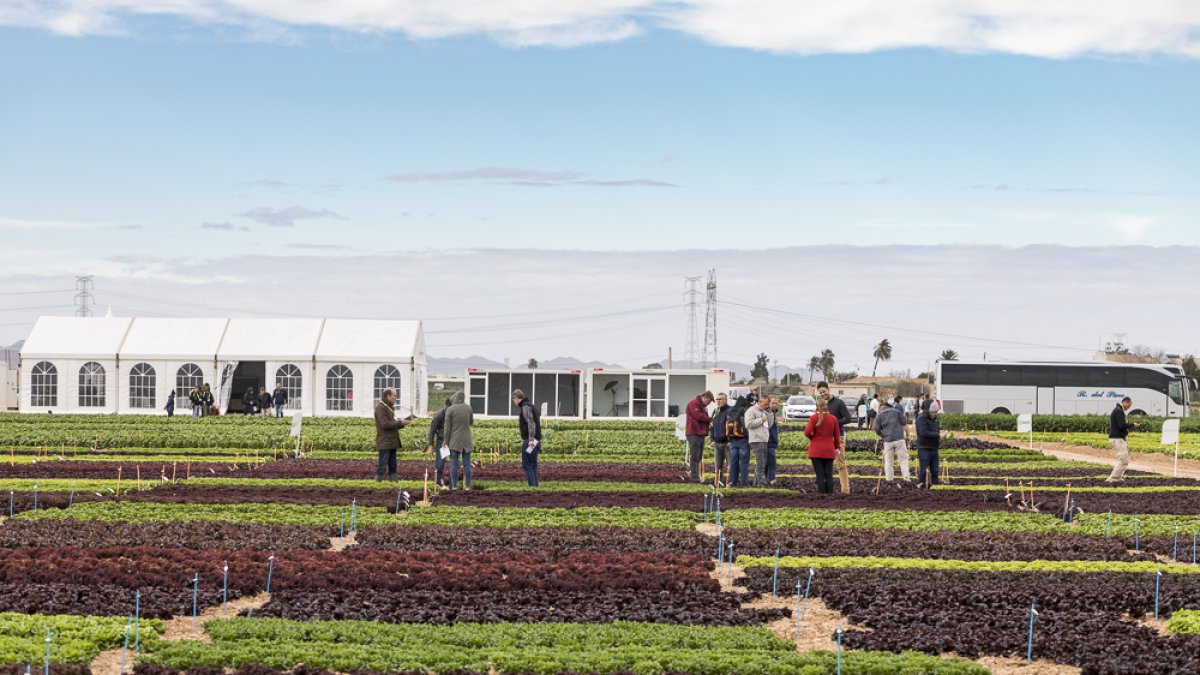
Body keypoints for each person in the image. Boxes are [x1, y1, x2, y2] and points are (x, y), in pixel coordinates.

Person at [817, 382, 853, 493]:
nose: (823, 394)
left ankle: (845, 490)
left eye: (824, 391)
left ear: (828, 389)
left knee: (840, 463)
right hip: (826, 438)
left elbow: (848, 418)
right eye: (820, 393)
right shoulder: (821, 405)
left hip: (839, 437)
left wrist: (834, 422)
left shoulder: (839, 403)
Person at [804, 397, 841, 494]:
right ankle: (830, 494)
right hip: (829, 450)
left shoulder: (813, 418)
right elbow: (837, 436)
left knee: (820, 474)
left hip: (815, 450)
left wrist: (813, 439)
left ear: (816, 406)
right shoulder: (833, 419)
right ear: (826, 406)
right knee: (828, 474)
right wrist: (837, 447)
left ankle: (821, 495)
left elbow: (807, 432)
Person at [374, 387, 411, 482]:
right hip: (385, 442)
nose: (396, 397)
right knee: (382, 465)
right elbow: (385, 424)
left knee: (393, 465)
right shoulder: (380, 408)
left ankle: (394, 482)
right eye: (394, 395)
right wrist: (400, 422)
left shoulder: (388, 408)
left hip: (391, 442)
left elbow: (392, 424)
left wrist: (402, 424)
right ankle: (377, 483)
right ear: (388, 396)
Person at [873, 399, 911, 482]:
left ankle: (889, 480)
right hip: (899, 439)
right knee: (903, 459)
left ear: (881, 408)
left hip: (888, 440)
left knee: (888, 461)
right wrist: (908, 436)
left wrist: (882, 435)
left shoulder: (879, 415)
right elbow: (905, 425)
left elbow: (876, 429)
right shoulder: (897, 412)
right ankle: (906, 478)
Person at [444, 391, 474, 490]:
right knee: (467, 464)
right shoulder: (468, 408)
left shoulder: (450, 410)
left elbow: (447, 429)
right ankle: (468, 486)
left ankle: (454, 486)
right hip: (467, 440)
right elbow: (471, 422)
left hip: (454, 441)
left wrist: (445, 441)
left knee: (454, 464)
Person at [1106, 396, 1139, 483]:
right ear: (1125, 402)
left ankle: (1117, 477)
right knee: (1123, 460)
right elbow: (1121, 425)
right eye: (1129, 405)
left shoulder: (1118, 410)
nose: (1129, 407)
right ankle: (1113, 478)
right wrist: (1132, 425)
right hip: (1117, 439)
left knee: (1123, 459)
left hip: (1117, 439)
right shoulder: (1118, 411)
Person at [513, 389, 541, 487]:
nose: (514, 402)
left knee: (527, 465)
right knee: (533, 465)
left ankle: (532, 487)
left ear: (517, 399)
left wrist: (531, 440)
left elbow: (531, 423)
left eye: (514, 399)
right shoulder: (531, 405)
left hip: (530, 441)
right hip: (537, 440)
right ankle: (536, 487)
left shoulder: (525, 407)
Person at [685, 391, 714, 482]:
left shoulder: (702, 406)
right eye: (709, 401)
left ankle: (696, 475)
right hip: (694, 432)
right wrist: (711, 419)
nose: (708, 404)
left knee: (698, 455)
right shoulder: (694, 403)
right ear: (705, 398)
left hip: (700, 433)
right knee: (694, 455)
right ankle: (694, 477)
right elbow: (699, 416)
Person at [746, 395, 774, 486]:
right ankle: (762, 483)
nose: (766, 406)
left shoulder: (764, 411)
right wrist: (761, 420)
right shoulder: (751, 410)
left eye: (767, 405)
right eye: (765, 404)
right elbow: (748, 424)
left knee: (762, 463)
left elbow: (769, 425)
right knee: (761, 463)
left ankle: (756, 483)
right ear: (760, 401)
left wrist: (770, 413)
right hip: (756, 440)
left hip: (764, 439)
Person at [725, 395, 752, 488]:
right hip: (743, 440)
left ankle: (733, 483)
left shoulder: (731, 411)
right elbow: (748, 425)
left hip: (732, 440)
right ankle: (744, 484)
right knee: (743, 463)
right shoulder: (745, 411)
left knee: (733, 463)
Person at [915, 402, 942, 487]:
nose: (935, 414)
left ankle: (935, 484)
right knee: (923, 469)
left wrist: (939, 437)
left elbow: (937, 431)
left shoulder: (935, 420)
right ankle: (921, 485)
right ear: (929, 411)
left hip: (934, 447)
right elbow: (923, 433)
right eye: (933, 412)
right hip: (924, 447)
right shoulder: (920, 419)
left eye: (936, 412)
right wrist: (937, 435)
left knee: (935, 469)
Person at [427, 396, 452, 487]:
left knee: (454, 462)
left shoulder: (454, 413)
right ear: (446, 406)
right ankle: (438, 483)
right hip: (442, 442)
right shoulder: (439, 416)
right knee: (440, 463)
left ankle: (452, 484)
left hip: (452, 441)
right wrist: (430, 446)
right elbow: (432, 431)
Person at [708, 393, 732, 485]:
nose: (718, 401)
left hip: (727, 444)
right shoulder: (715, 411)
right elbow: (711, 427)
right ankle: (717, 483)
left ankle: (730, 483)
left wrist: (731, 440)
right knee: (717, 466)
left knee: (730, 466)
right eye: (717, 399)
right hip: (717, 444)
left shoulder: (730, 411)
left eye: (720, 399)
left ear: (726, 400)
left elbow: (732, 427)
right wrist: (711, 440)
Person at [765, 396, 780, 485]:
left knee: (767, 463)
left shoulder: (774, 414)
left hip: (772, 441)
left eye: (776, 403)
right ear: (769, 403)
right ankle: (771, 479)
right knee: (772, 462)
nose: (774, 405)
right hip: (769, 441)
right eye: (773, 403)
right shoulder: (767, 414)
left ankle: (765, 479)